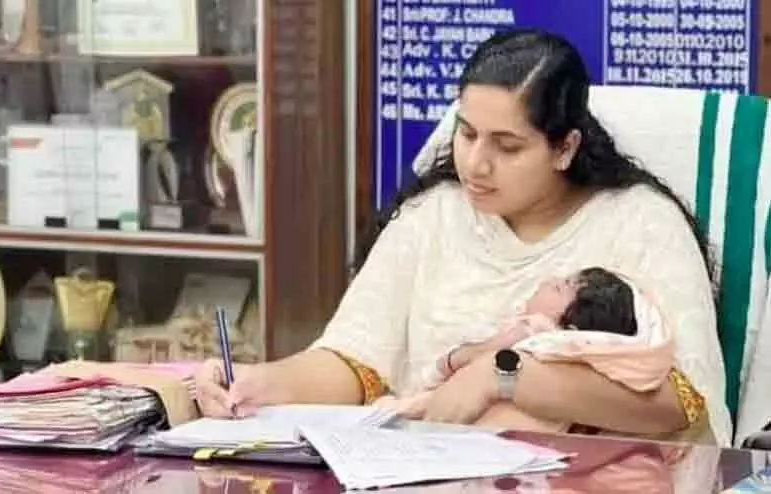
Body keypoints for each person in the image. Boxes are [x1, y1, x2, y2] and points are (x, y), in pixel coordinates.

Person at [195, 29, 730, 445]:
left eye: (508, 146)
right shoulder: (434, 215)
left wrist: (500, 378)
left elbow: (682, 404)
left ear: (565, 148)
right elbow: (356, 362)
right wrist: (259, 383)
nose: (475, 162)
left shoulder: (642, 225)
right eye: (468, 133)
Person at [374, 267, 675, 434]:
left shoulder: (537, 338)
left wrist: (403, 406)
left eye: (559, 288)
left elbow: (449, 385)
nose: (548, 281)